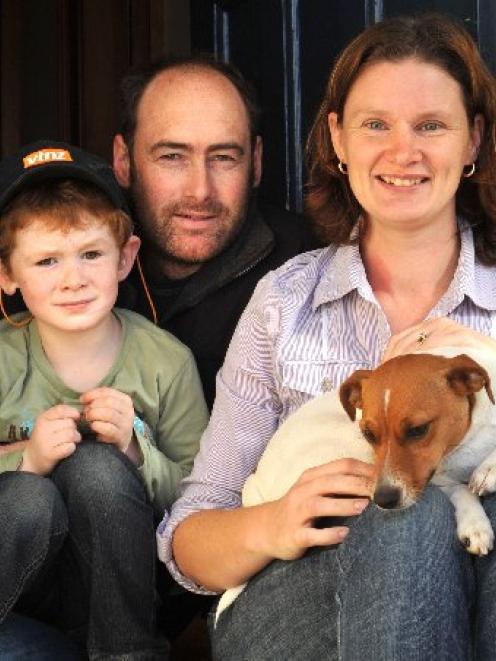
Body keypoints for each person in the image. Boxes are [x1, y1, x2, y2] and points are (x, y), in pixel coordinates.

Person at [158, 13, 496, 660]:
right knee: (406, 514)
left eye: (431, 125)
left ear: (473, 140)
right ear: (338, 138)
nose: (404, 152)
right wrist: (273, 523)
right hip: (296, 598)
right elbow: (188, 541)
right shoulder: (286, 302)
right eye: (376, 125)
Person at [0, 140, 208, 660]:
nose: (73, 279)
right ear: (8, 275)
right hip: (19, 605)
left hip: (118, 592)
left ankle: (128, 653)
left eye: (91, 253)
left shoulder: (166, 361)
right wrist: (28, 461)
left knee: (98, 467)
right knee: (28, 497)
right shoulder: (3, 358)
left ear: (125, 257)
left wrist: (136, 451)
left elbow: (201, 494)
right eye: (46, 260)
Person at [113, 54, 317, 409]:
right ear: (123, 160)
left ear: (255, 162)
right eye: (172, 157)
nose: (200, 191)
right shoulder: (72, 260)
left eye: (223, 158)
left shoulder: (309, 267)